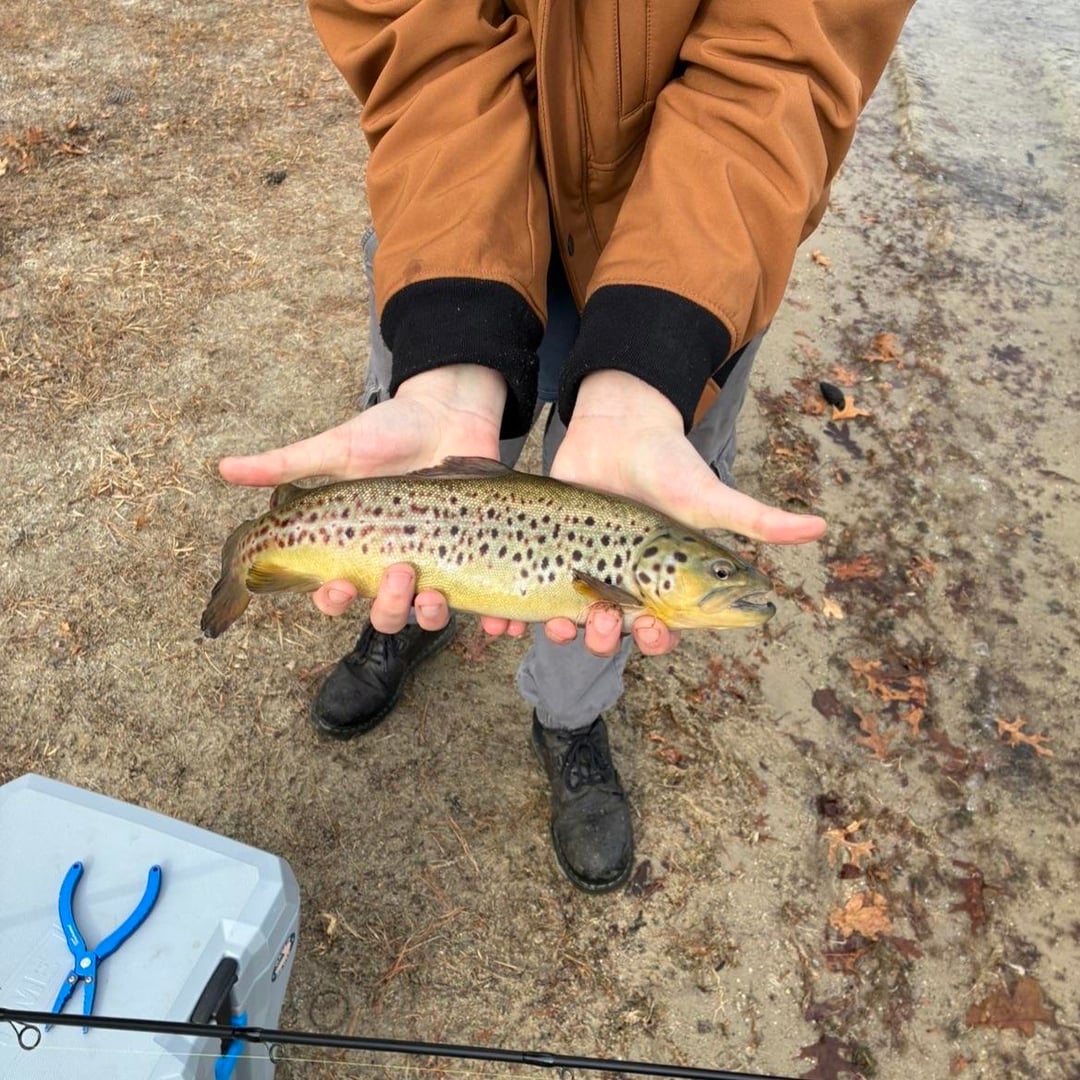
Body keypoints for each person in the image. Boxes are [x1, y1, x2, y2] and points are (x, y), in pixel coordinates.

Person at [219, 0, 913, 893]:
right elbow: (416, 40)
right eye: (719, 576)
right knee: (433, 451)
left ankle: (569, 717)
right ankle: (408, 617)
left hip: (698, 264)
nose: (734, 586)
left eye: (719, 575)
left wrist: (657, 349)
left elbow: (787, 65)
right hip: (447, 232)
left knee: (609, 569)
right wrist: (452, 332)